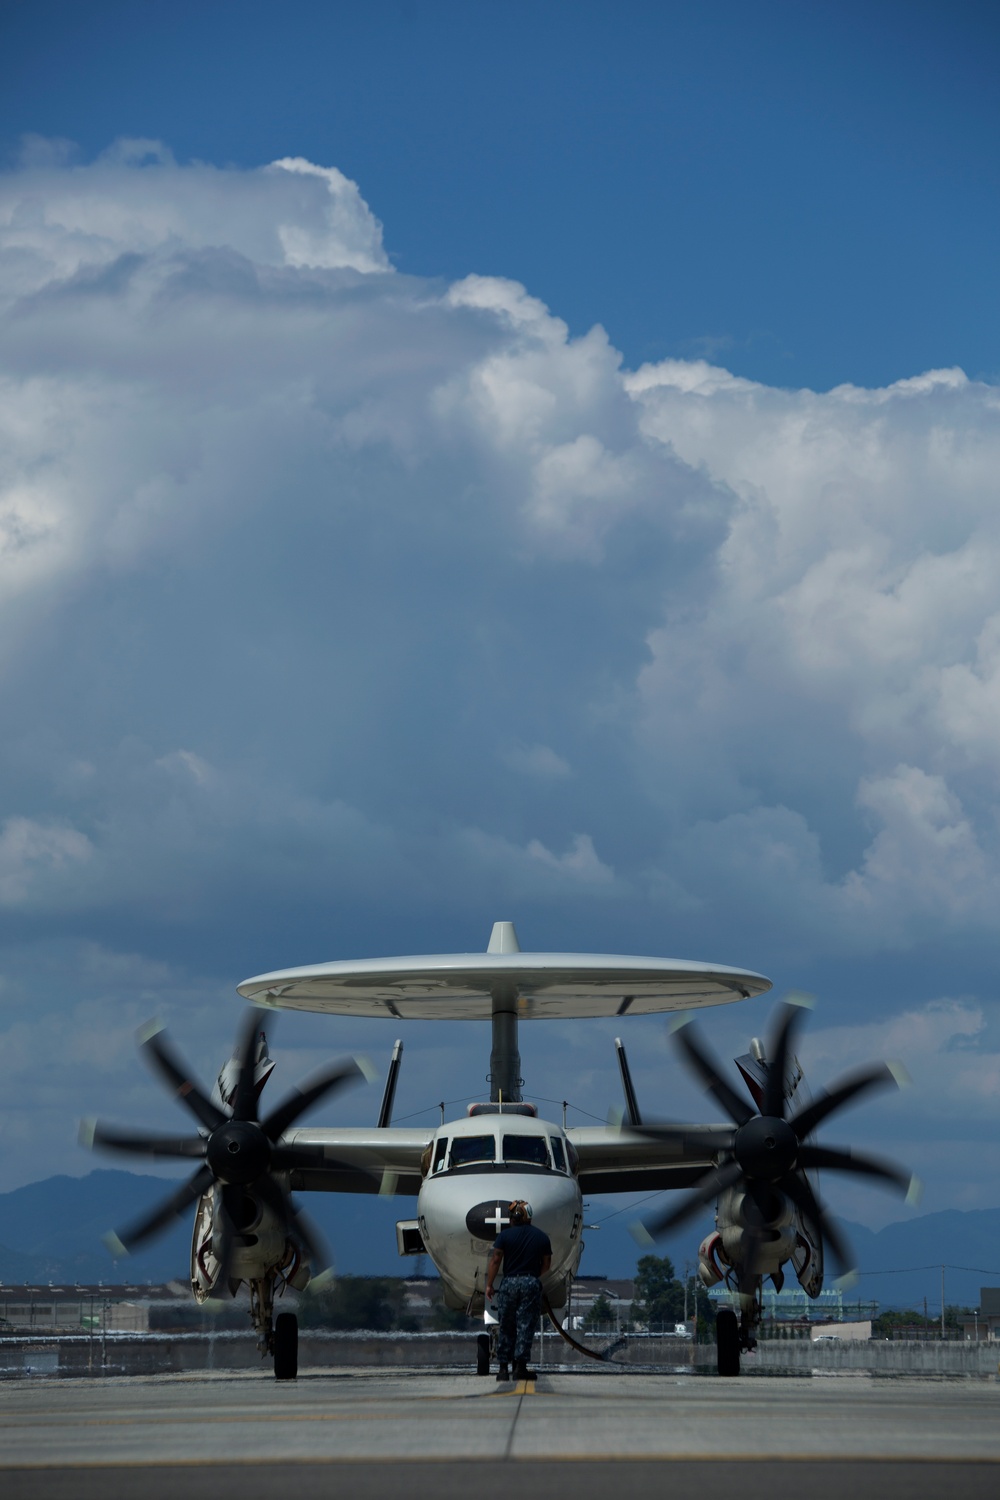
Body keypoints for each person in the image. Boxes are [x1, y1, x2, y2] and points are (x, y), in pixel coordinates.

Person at [485, 1200, 552, 1382]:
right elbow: (546, 1264)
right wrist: (532, 1276)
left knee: (506, 1325)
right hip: (530, 1282)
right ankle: (520, 1368)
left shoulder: (504, 1236)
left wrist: (489, 1285)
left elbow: (495, 1261)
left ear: (514, 1217)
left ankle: (502, 1369)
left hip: (509, 1283)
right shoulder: (541, 1237)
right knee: (525, 1326)